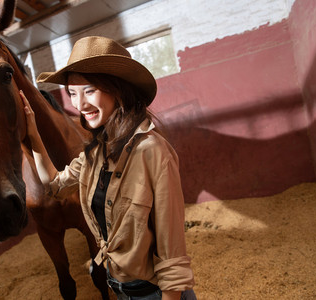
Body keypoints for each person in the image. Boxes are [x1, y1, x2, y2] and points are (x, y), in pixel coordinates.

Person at [20, 36, 196, 300]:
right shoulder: (95, 153)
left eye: (89, 90)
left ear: (118, 89)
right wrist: (33, 134)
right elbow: (54, 184)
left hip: (156, 294)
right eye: (72, 93)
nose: (79, 105)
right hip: (120, 290)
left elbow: (171, 252)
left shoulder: (152, 151)